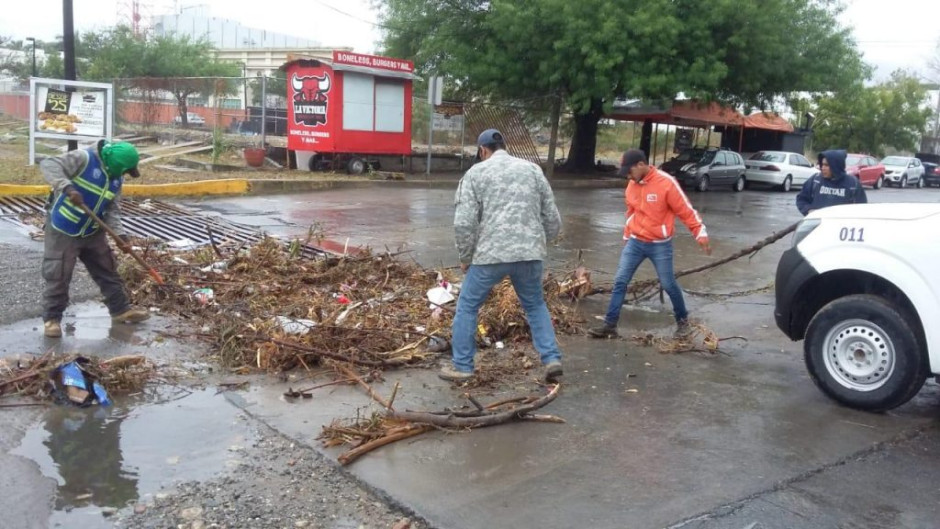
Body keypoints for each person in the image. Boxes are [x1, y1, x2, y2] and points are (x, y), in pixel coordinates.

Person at [441, 129, 564, 383]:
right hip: (530, 254)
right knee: (535, 304)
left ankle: (462, 366)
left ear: (482, 150)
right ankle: (551, 358)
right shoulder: (532, 170)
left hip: (490, 255)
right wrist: (540, 242)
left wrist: (465, 256)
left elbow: (464, 223)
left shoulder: (475, 173)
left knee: (467, 305)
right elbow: (552, 217)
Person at [589, 149, 711, 340]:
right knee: (620, 281)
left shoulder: (666, 183)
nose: (628, 177)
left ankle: (683, 323)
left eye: (629, 172)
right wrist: (627, 235)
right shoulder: (632, 184)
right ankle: (609, 325)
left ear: (641, 165)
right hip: (635, 242)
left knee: (668, 284)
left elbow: (685, 210)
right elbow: (631, 212)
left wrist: (700, 232)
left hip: (660, 245)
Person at [40, 139, 150, 338]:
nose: (123, 175)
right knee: (59, 274)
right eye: (123, 171)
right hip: (63, 228)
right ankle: (52, 320)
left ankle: (120, 310)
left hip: (92, 230)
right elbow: (49, 163)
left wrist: (121, 236)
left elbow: (112, 210)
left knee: (107, 268)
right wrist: (67, 188)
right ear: (112, 163)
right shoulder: (83, 158)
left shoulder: (116, 179)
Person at [796, 149, 867, 216]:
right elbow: (801, 199)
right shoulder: (816, 180)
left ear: (836, 166)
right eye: (822, 164)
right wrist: (809, 210)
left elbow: (861, 209)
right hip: (818, 224)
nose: (823, 168)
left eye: (826, 165)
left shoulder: (853, 184)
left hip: (841, 226)